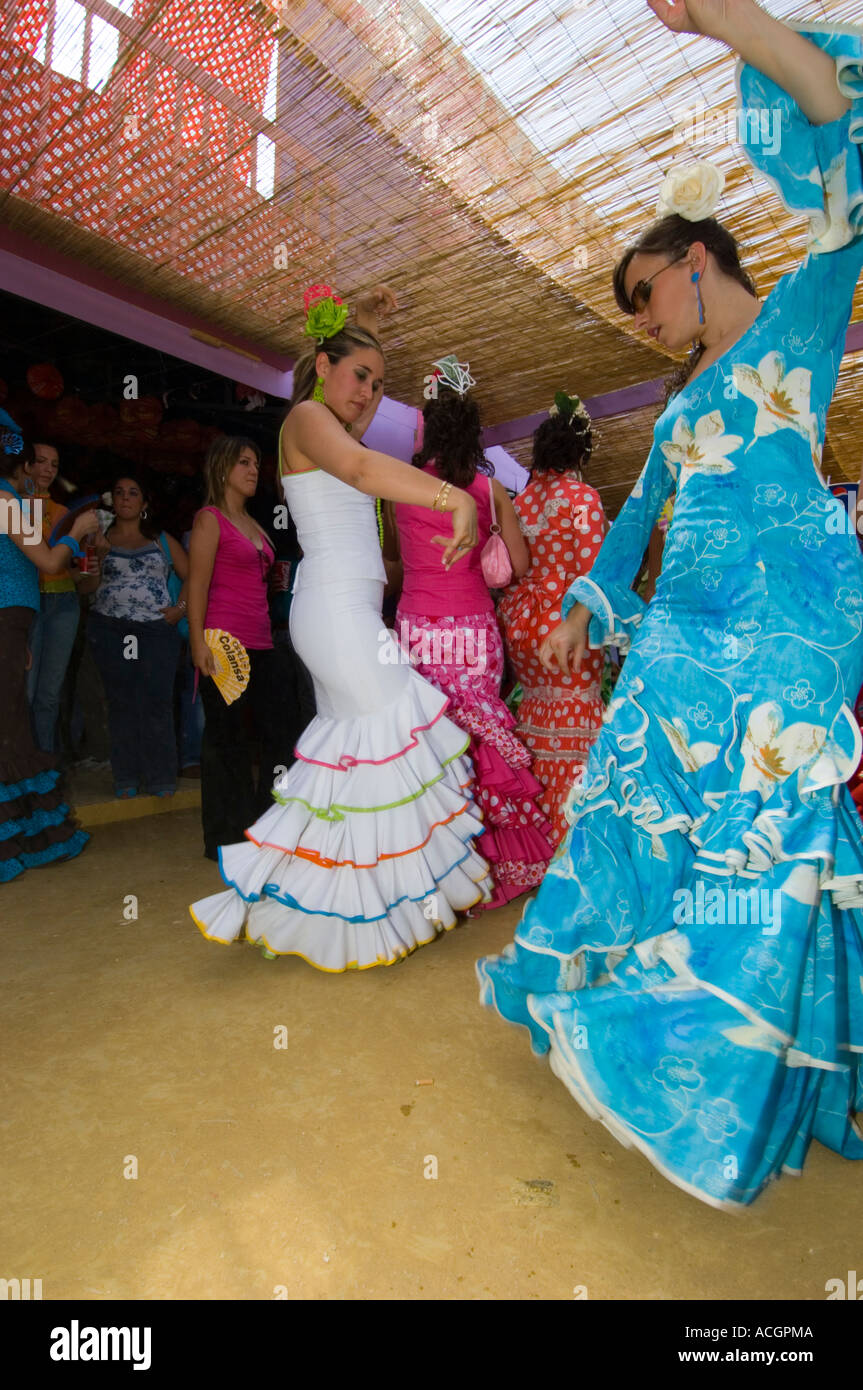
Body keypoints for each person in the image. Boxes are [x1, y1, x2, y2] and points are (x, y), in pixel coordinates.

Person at [478, 0, 863, 1209]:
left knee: (762, 847)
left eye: (645, 295)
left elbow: (835, 121)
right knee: (633, 820)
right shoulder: (683, 407)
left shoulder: (801, 318)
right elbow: (636, 519)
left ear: (695, 261)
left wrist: (719, 18)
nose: (642, 322)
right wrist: (592, 599)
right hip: (679, 643)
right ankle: (643, 1029)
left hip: (788, 634)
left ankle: (709, 1070)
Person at [190, 284, 492, 968]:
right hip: (331, 612)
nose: (370, 393)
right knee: (391, 732)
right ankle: (362, 904)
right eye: (360, 376)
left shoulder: (333, 434)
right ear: (323, 367)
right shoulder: (303, 419)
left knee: (358, 757)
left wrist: (367, 325)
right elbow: (360, 466)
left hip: (348, 611)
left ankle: (329, 904)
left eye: (381, 385)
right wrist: (453, 499)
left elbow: (362, 475)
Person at [394, 360, 554, 908]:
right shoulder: (489, 490)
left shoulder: (402, 487)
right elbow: (522, 563)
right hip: (474, 629)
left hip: (418, 625)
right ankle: (492, 867)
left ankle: (435, 872)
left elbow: (399, 561)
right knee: (480, 737)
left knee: (428, 740)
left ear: (428, 428)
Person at [498, 394, 608, 844]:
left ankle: (533, 839)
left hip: (523, 624)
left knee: (536, 717)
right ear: (580, 452)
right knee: (576, 719)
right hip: (566, 625)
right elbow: (594, 571)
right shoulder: (583, 499)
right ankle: (573, 840)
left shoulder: (519, 504)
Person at [0, 423, 96, 881]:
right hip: (7, 621)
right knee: (9, 729)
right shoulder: (4, 500)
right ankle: (21, 841)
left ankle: (21, 839)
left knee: (11, 724)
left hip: (13, 624)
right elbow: (50, 562)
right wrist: (77, 529)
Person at [187, 436, 289, 858]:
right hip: (224, 641)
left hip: (261, 639)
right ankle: (224, 838)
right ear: (223, 467)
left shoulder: (254, 523)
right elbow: (197, 584)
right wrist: (197, 642)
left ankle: (261, 822)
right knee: (226, 741)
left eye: (256, 462)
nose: (253, 470)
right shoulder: (210, 519)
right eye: (244, 462)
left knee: (274, 734)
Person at [87, 474, 188, 798]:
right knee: (120, 703)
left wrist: (181, 608)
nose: (126, 498)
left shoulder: (161, 539)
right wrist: (99, 557)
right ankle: (125, 778)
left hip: (156, 631)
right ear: (112, 501)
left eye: (133, 493)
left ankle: (161, 778)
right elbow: (84, 587)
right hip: (110, 628)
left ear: (145, 503)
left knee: (156, 702)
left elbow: (193, 575)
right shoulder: (98, 538)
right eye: (119, 493)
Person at [24, 441, 93, 754]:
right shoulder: (12, 506)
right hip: (26, 604)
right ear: (25, 465)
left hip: (63, 603)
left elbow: (78, 573)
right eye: (41, 461)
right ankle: (21, 767)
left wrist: (96, 557)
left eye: (54, 464)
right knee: (24, 691)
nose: (48, 470)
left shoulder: (65, 513)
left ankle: (45, 766)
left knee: (50, 694)